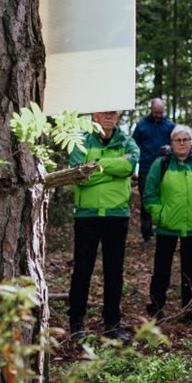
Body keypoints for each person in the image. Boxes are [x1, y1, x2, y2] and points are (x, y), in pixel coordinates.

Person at [67, 110, 139, 344]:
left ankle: (112, 324)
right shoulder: (80, 139)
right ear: (95, 115)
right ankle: (76, 323)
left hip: (117, 215)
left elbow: (129, 167)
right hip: (87, 215)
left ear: (118, 116)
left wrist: (96, 165)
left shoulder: (128, 141)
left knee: (114, 271)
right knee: (82, 270)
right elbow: (78, 173)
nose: (109, 115)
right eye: (104, 111)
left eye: (114, 112)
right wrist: (111, 169)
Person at [144, 126, 192, 324]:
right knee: (161, 269)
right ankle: (156, 309)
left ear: (191, 142)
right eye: (178, 140)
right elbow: (150, 193)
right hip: (167, 226)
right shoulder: (162, 164)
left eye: (186, 139)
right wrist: (159, 215)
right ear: (171, 142)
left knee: (190, 270)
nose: (182, 143)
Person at [133, 98, 176, 243]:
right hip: (145, 168)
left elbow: (177, 144)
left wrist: (170, 149)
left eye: (161, 112)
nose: (158, 115)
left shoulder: (169, 126)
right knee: (147, 200)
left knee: (165, 198)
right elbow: (133, 147)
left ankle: (164, 229)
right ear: (151, 110)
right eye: (156, 112)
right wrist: (133, 169)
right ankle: (147, 233)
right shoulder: (142, 125)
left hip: (165, 168)